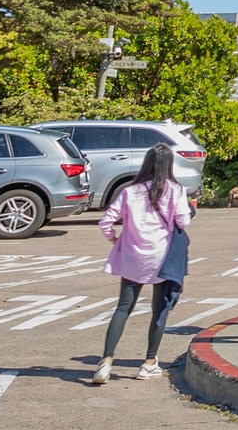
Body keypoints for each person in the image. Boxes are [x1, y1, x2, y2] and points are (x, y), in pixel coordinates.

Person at [87, 142, 193, 385]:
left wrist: (114, 239)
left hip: (132, 257)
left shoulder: (130, 191)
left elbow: (106, 222)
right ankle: (148, 363)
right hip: (162, 258)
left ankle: (106, 361)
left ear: (147, 163)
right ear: (169, 165)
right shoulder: (176, 190)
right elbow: (183, 222)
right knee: (159, 309)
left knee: (123, 307)